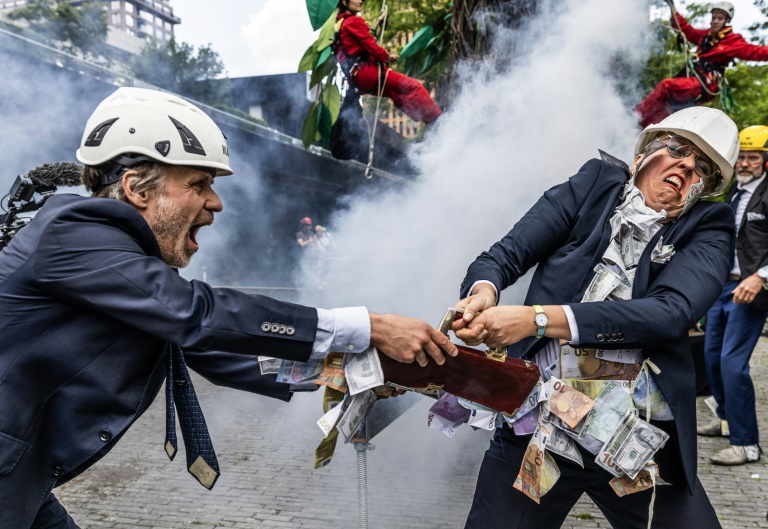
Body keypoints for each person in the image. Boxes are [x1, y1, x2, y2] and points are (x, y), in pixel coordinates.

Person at [0, 87, 457, 529]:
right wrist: (367, 326)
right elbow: (199, 316)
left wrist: (352, 371)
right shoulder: (74, 233)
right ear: (137, 188)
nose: (215, 202)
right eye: (198, 184)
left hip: (20, 481)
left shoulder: (124, 265)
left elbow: (223, 354)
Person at [452, 106, 739, 528]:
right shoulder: (594, 185)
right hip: (541, 424)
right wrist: (482, 293)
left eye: (704, 170)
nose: (687, 165)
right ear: (643, 154)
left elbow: (668, 313)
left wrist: (536, 319)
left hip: (640, 439)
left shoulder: (709, 226)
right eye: (678, 148)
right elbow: (505, 254)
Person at [698, 125, 768, 465]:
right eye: (741, 156)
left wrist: (761, 277)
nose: (745, 162)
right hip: (724, 287)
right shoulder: (736, 193)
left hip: (752, 289)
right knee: (711, 358)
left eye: (753, 157)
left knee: (732, 365)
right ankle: (726, 419)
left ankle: (747, 444)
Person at [635, 1, 768, 129]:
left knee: (667, 86)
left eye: (720, 18)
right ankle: (642, 128)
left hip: (707, 83)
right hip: (694, 79)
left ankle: (635, 116)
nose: (715, 21)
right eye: (714, 17)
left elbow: (757, 51)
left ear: (726, 21)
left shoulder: (733, 41)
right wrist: (673, 9)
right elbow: (685, 30)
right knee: (667, 103)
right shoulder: (705, 36)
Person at [335, 0, 441, 125]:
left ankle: (428, 121)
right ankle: (438, 121)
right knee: (414, 87)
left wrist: (378, 23)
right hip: (367, 72)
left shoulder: (339, 26)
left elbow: (359, 43)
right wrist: (387, 56)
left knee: (396, 93)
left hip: (357, 80)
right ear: (344, 2)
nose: (360, 1)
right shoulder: (353, 21)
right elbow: (371, 46)